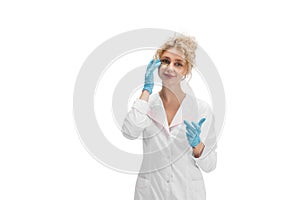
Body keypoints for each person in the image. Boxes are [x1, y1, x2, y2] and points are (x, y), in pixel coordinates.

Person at [122, 34, 217, 200]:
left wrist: (198, 145)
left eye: (178, 64)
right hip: (151, 192)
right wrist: (146, 89)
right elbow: (129, 132)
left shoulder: (201, 109)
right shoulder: (147, 104)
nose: (170, 68)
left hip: (187, 193)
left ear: (186, 70)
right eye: (165, 61)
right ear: (157, 64)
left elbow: (210, 165)